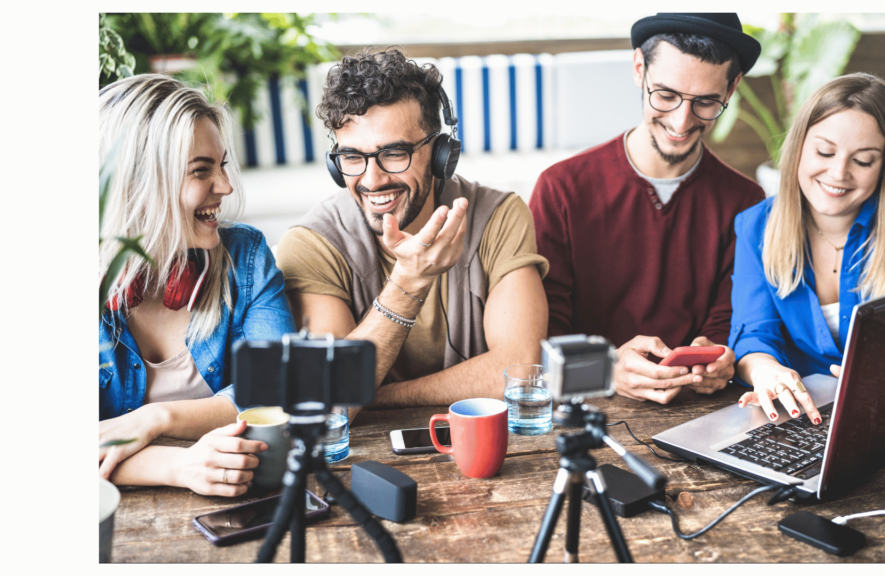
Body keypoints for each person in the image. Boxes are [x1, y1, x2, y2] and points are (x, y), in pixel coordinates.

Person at [275, 48, 548, 421]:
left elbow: (518, 372)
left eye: (393, 153)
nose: (372, 180)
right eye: (352, 157)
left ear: (440, 154)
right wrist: (408, 283)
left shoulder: (499, 217)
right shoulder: (310, 245)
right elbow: (329, 401)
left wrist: (378, 396)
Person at [530, 13, 765, 404]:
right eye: (666, 95)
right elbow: (541, 336)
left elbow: (734, 325)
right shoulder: (561, 189)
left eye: (705, 102)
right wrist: (606, 368)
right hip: (584, 407)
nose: (681, 121)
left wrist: (721, 359)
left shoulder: (747, 203)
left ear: (732, 88)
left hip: (700, 411)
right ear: (639, 68)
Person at [99, 74, 295, 496]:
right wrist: (176, 465)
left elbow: (277, 388)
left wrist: (156, 418)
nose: (224, 187)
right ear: (138, 184)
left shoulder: (246, 256)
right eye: (200, 171)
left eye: (222, 165)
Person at [730, 73, 885, 425]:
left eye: (863, 161)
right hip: (801, 417)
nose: (838, 173)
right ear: (799, 146)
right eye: (824, 151)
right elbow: (754, 334)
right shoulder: (755, 226)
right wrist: (766, 370)